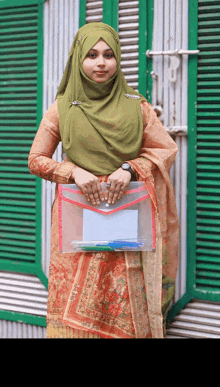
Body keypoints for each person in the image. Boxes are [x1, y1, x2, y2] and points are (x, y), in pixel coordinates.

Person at [28, 23, 179, 339]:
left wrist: (130, 168)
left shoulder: (137, 107)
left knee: (125, 293)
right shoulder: (61, 109)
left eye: (109, 55)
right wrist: (72, 172)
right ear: (78, 59)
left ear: (118, 59)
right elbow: (36, 160)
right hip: (78, 217)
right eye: (92, 55)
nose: (101, 63)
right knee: (77, 296)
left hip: (128, 214)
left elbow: (165, 148)